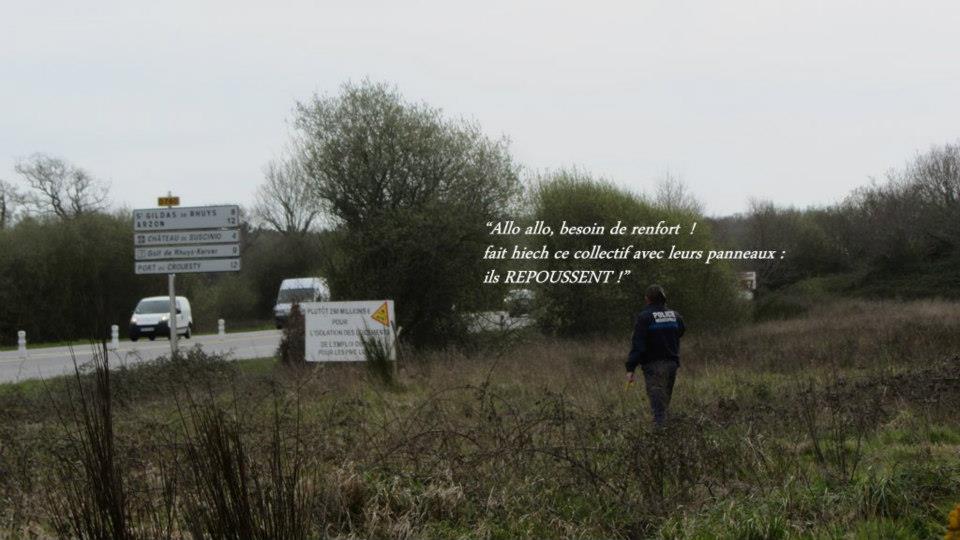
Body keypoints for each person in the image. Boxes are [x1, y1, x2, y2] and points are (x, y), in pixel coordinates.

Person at [625, 284, 685, 426]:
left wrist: (630, 368)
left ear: (647, 299)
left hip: (653, 366)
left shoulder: (644, 317)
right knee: (664, 404)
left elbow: (638, 344)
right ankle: (667, 432)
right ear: (664, 299)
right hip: (672, 365)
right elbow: (681, 331)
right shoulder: (675, 316)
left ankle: (660, 434)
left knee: (658, 409)